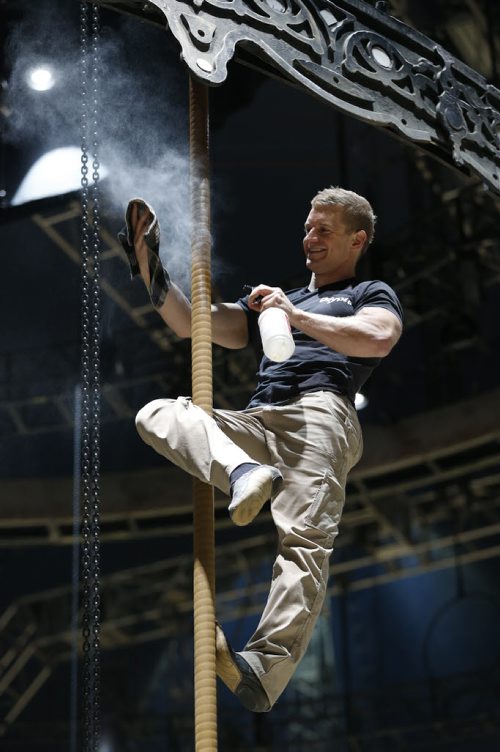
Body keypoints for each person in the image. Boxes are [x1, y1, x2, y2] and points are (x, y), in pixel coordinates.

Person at [118, 187, 403, 712]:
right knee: (156, 413)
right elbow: (192, 324)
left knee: (305, 539)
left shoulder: (368, 292)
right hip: (257, 418)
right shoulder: (278, 302)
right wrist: (148, 263)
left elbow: (379, 338)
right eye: (308, 226)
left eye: (325, 230)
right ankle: (243, 470)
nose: (309, 238)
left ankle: (262, 671)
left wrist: (293, 314)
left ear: (357, 240)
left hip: (320, 414)